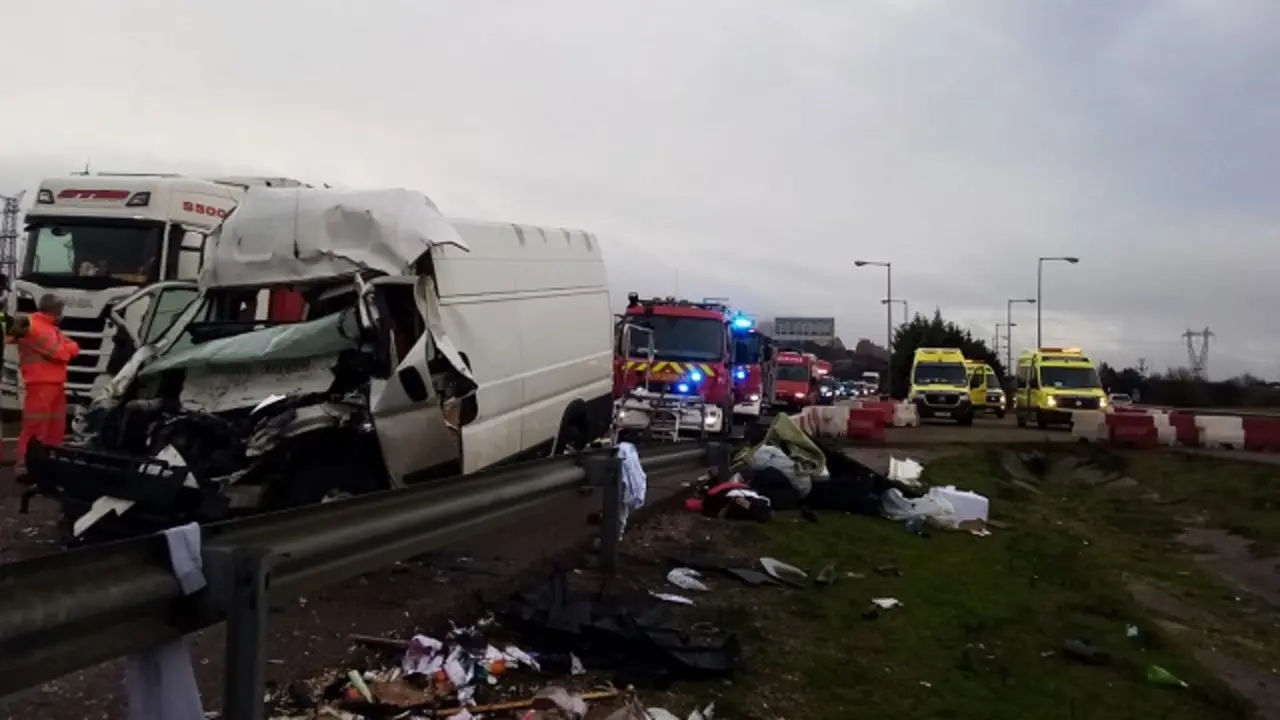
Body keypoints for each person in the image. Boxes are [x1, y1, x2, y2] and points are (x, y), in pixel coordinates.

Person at [15, 294, 80, 476]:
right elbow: (62, 353)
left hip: (54, 384)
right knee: (36, 427)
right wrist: (68, 350)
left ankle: (48, 463)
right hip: (40, 384)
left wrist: (68, 349)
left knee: (54, 427)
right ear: (56, 309)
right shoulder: (36, 327)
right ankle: (25, 466)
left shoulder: (50, 327)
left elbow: (74, 347)